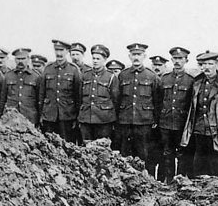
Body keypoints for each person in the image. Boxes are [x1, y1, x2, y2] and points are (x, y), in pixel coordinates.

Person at [181, 50, 218, 177]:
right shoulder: (197, 83)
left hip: (217, 130)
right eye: (203, 64)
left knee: (216, 166)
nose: (206, 67)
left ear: (217, 64)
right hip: (198, 130)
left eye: (210, 64)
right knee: (198, 165)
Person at [116, 42, 161, 174]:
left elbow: (157, 100)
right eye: (134, 54)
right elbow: (117, 99)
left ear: (144, 56)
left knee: (143, 154)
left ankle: (145, 181)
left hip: (144, 122)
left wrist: (155, 120)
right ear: (129, 56)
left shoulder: (152, 76)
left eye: (139, 54)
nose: (136, 57)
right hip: (125, 121)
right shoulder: (123, 75)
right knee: (125, 155)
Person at [158, 47, 194, 180]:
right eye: (175, 58)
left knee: (182, 155)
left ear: (186, 60)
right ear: (172, 60)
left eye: (181, 59)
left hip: (182, 123)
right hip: (165, 122)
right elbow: (158, 100)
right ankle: (168, 181)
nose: (177, 61)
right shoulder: (164, 79)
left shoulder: (191, 80)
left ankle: (179, 181)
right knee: (167, 154)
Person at [38, 40, 82, 143]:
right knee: (49, 146)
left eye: (61, 50)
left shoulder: (74, 70)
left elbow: (78, 96)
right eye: (56, 50)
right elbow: (42, 94)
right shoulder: (48, 69)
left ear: (67, 51)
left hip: (67, 116)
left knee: (66, 145)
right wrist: (41, 115)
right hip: (49, 115)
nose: (59, 53)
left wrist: (76, 117)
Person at [77, 44, 120, 144]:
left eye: (98, 59)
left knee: (102, 149)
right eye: (94, 58)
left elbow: (116, 100)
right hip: (86, 119)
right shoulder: (85, 75)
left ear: (104, 60)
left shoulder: (111, 77)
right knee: (86, 148)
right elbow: (79, 97)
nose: (95, 61)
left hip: (104, 120)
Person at [1, 47, 40, 125]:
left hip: (29, 118)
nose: (20, 61)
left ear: (28, 59)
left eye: (23, 58)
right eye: (18, 59)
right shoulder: (8, 76)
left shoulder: (36, 76)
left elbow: (39, 100)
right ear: (15, 59)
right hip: (11, 118)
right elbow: (2, 99)